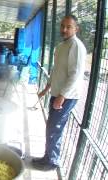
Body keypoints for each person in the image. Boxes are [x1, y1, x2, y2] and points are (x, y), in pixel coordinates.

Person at [32, 15, 86, 171]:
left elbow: (75, 74)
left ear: (76, 29)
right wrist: (47, 88)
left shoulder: (76, 46)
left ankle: (52, 162)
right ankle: (47, 157)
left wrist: (62, 96)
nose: (64, 29)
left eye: (69, 27)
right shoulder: (62, 46)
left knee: (54, 128)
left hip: (66, 96)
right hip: (58, 93)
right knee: (51, 128)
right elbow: (57, 71)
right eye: (63, 26)